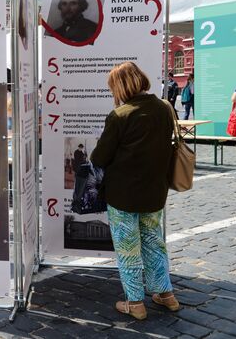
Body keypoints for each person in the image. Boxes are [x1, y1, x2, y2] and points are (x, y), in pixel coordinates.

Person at [91, 62, 179, 320]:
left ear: (120, 87)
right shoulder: (165, 108)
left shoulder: (120, 115)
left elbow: (100, 157)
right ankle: (166, 295)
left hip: (123, 194)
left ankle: (135, 303)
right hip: (154, 190)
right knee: (154, 242)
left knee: (128, 247)